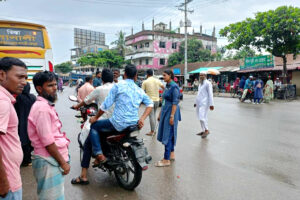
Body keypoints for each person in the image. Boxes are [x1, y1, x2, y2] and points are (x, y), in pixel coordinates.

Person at [88, 64, 153, 164]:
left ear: (124, 75)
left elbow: (105, 105)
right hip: (134, 124)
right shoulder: (139, 90)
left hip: (117, 124)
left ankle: (99, 154)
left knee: (94, 127)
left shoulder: (118, 86)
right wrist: (142, 118)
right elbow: (150, 104)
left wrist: (95, 118)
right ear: (136, 76)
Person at [28, 71, 70, 200]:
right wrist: (63, 163)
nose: (55, 88)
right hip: (48, 160)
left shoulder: (46, 106)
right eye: (50, 85)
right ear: (39, 88)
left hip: (51, 160)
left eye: (55, 84)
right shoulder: (42, 109)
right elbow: (47, 141)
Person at [71, 69, 114, 185]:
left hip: (103, 121)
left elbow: (86, 101)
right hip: (118, 122)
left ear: (101, 79)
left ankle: (84, 175)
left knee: (88, 144)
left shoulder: (98, 89)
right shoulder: (118, 88)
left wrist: (76, 106)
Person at [0, 57, 27, 200]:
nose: (24, 82)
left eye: (25, 77)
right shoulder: (2, 101)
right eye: (19, 77)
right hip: (8, 183)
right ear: (2, 75)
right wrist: (3, 182)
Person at [155, 70, 181, 167]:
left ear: (170, 76)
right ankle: (171, 154)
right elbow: (165, 101)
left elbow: (175, 102)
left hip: (171, 112)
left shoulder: (174, 87)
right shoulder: (167, 85)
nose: (163, 77)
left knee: (168, 134)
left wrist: (172, 116)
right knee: (169, 133)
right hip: (166, 111)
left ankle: (166, 159)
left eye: (165, 75)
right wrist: (160, 113)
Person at [14, 82, 36, 166]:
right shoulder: (33, 97)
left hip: (21, 122)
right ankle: (29, 158)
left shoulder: (18, 98)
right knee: (30, 140)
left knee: (23, 141)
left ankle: (25, 160)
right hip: (31, 122)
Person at [142, 69, 164, 136]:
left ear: (147, 74)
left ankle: (152, 131)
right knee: (153, 115)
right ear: (152, 74)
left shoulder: (145, 82)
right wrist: (162, 96)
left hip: (150, 101)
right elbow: (164, 87)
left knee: (151, 116)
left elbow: (141, 92)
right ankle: (154, 130)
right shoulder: (157, 80)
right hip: (157, 101)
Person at [194, 71, 214, 138]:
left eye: (202, 75)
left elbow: (210, 94)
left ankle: (207, 130)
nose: (201, 76)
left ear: (205, 76)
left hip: (205, 103)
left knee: (202, 117)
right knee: (200, 117)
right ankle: (203, 130)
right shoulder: (200, 84)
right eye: (200, 75)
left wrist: (211, 104)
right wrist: (195, 102)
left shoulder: (208, 83)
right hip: (199, 102)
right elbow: (198, 94)